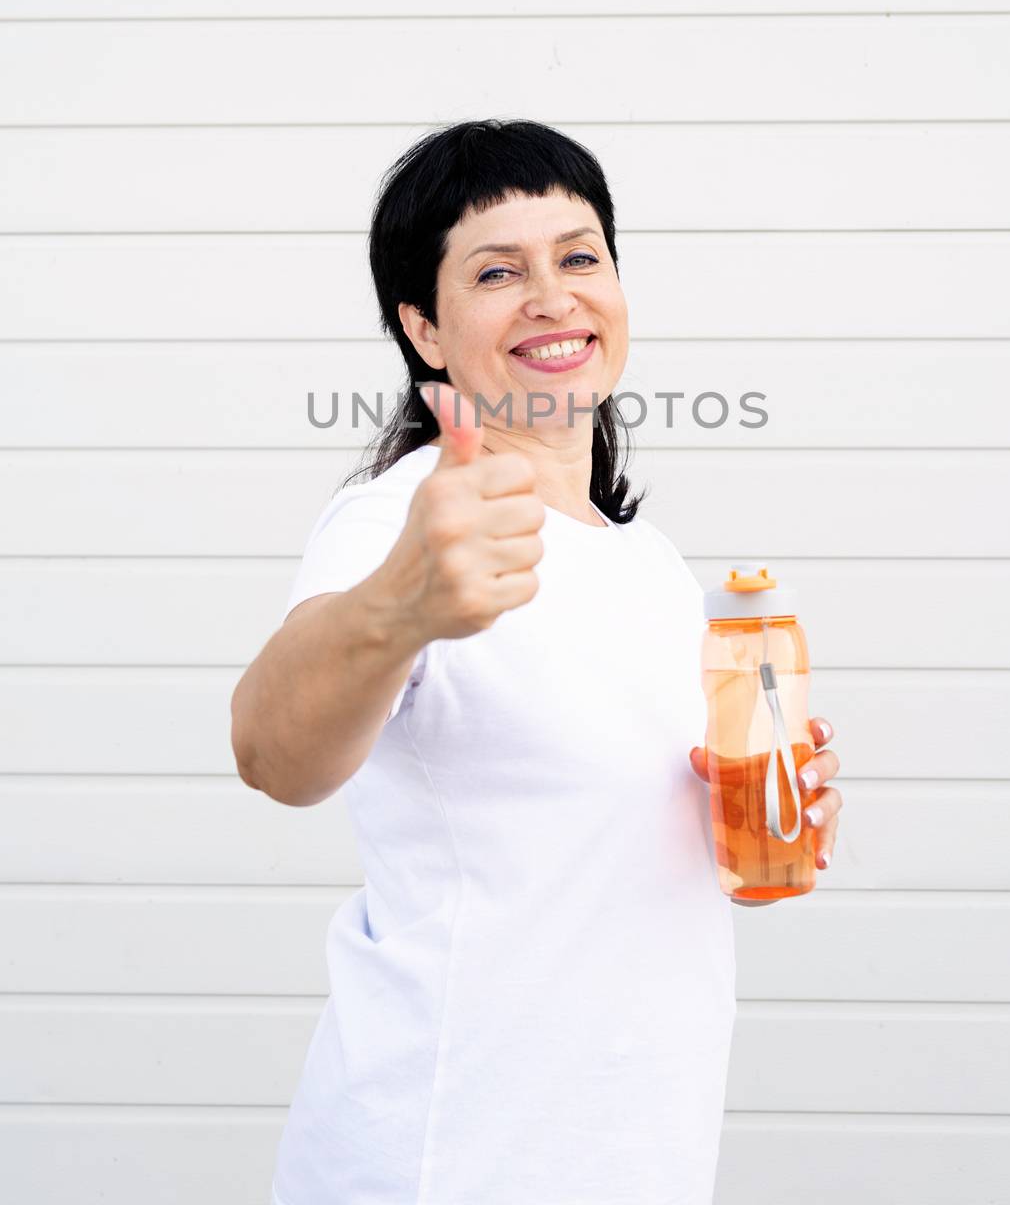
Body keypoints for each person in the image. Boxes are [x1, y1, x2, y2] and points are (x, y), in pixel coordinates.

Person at [230, 119, 842, 1205]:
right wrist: (397, 606)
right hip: (450, 1158)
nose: (554, 297)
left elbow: (626, 863)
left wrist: (763, 821)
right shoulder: (407, 522)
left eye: (580, 256)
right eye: (497, 270)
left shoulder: (645, 561)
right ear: (424, 328)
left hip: (631, 1154)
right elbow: (274, 753)